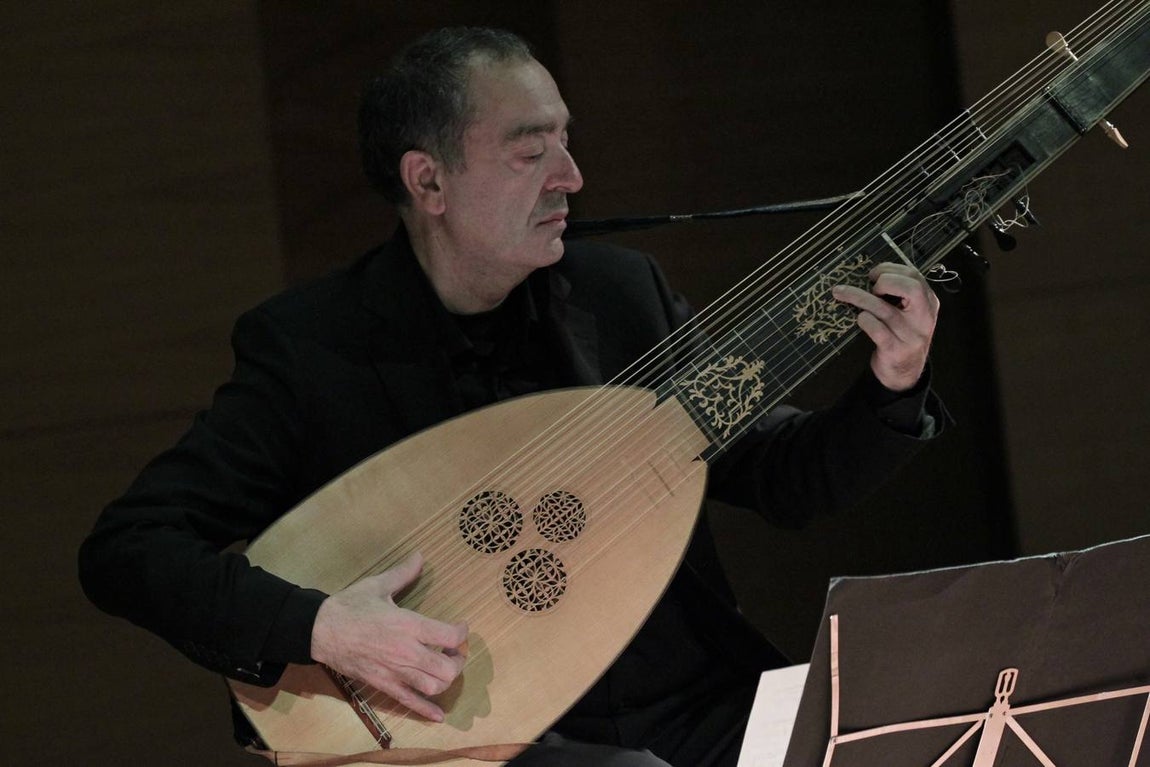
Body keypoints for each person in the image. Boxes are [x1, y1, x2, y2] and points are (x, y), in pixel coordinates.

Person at [79, 26, 947, 767]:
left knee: (907, 726)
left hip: (693, 708)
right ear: (429, 183)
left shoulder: (619, 296)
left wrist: (891, 386)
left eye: (566, 141)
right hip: (486, 743)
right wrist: (323, 628)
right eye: (531, 152)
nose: (570, 174)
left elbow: (779, 475)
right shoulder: (314, 352)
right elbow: (129, 548)